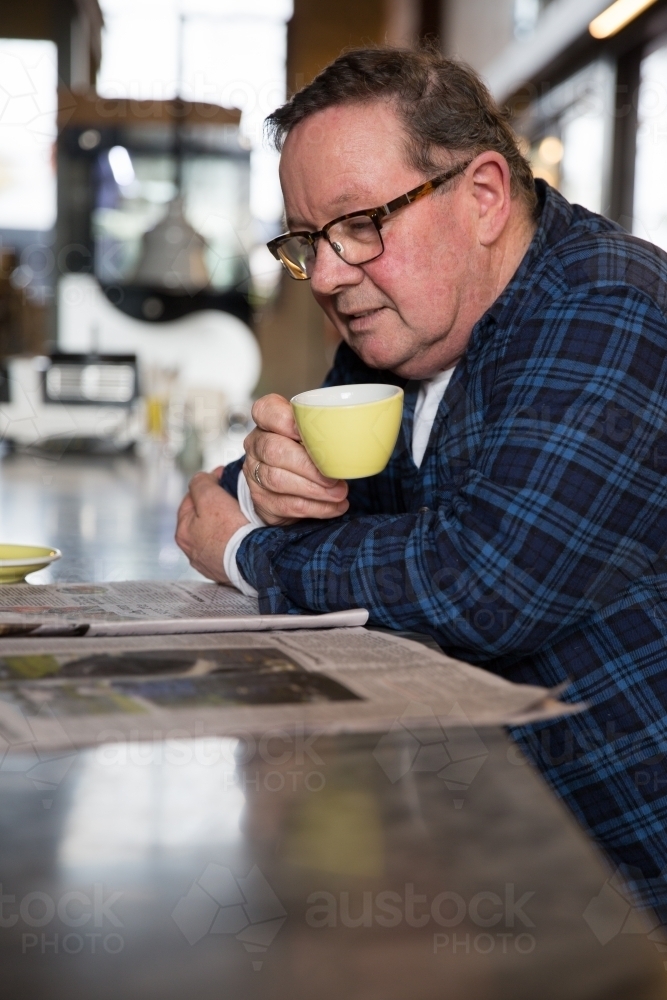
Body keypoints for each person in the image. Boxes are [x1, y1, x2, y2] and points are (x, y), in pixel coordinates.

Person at [176, 47, 667, 920]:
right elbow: (253, 494)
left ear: (483, 195)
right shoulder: (401, 333)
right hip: (469, 843)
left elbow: (485, 582)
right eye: (308, 241)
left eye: (360, 223)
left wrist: (249, 552)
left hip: (623, 886)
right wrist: (264, 484)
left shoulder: (614, 306)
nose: (329, 275)